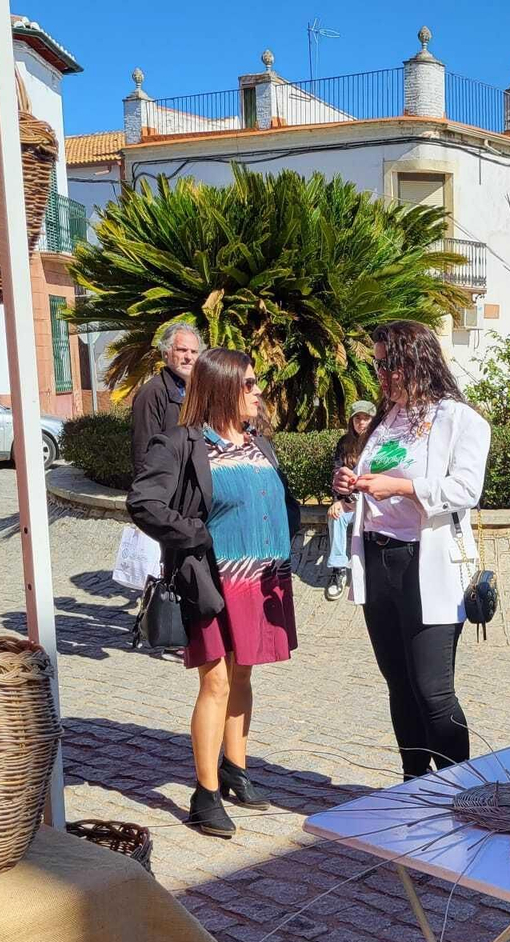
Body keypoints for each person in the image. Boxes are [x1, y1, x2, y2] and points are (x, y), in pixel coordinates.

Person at [128, 348, 299, 838]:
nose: (258, 391)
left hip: (261, 580)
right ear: (223, 387)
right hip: (212, 582)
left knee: (244, 675)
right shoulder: (183, 442)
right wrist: (196, 535)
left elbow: (274, 500)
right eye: (248, 384)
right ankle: (203, 794)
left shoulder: (257, 443)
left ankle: (235, 771)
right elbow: (143, 502)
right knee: (216, 683)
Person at [332, 321, 490, 779]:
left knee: (432, 691)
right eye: (378, 364)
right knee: (398, 685)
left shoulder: (459, 419)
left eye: (390, 365)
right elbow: (372, 478)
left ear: (417, 361)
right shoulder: (386, 420)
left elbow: (465, 488)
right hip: (379, 563)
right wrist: (351, 484)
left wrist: (400, 487)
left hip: (427, 563)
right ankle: (414, 785)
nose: (381, 375)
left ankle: (461, 787)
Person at [129, 320, 202, 479]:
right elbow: (143, 450)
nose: (189, 357)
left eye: (194, 351)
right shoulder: (152, 392)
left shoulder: (196, 391)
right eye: (182, 350)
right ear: (167, 353)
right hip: (166, 488)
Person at [324, 399, 376, 601]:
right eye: (357, 418)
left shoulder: (379, 442)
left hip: (373, 503)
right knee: (336, 517)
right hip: (350, 503)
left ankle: (371, 572)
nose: (361, 423)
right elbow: (337, 474)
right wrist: (337, 500)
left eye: (366, 418)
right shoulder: (344, 444)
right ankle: (338, 569)